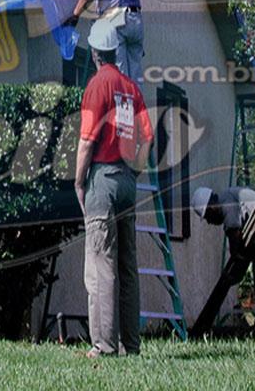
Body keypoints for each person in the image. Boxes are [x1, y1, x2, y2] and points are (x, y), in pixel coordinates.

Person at [75, 18, 154, 357]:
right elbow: (147, 136)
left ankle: (103, 345)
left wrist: (79, 181)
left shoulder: (97, 84)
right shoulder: (131, 88)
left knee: (101, 264)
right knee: (126, 265)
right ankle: (130, 344)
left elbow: (87, 139)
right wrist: (136, 167)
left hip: (103, 181)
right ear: (115, 51)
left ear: (95, 52)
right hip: (126, 180)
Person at [192, 186, 255, 336]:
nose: (209, 222)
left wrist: (233, 272)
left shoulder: (226, 202)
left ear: (212, 207)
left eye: (208, 217)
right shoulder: (229, 199)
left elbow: (236, 241)